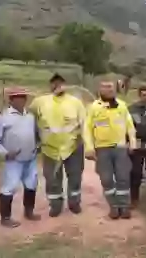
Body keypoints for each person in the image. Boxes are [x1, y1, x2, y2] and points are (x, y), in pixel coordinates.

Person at [29, 73, 86, 217]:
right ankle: (55, 205)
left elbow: (84, 124)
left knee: (75, 177)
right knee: (52, 179)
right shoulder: (39, 102)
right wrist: (35, 142)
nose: (57, 85)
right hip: (50, 149)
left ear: (65, 84)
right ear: (50, 85)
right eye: (54, 83)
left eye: (60, 83)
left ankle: (74, 203)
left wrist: (86, 144)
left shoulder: (75, 102)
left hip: (73, 147)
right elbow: (31, 122)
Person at [0, 87, 41, 228]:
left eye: (23, 97)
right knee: (9, 187)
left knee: (32, 184)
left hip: (31, 158)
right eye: (17, 97)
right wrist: (5, 152)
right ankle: (5, 218)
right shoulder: (2, 118)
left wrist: (38, 145)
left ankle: (29, 212)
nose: (21, 100)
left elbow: (35, 134)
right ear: (10, 100)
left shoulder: (30, 117)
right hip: (13, 160)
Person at [83, 81, 136, 220]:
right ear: (99, 90)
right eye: (105, 87)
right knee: (106, 179)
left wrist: (133, 143)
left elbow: (130, 126)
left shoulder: (122, 105)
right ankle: (113, 207)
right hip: (102, 149)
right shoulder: (93, 107)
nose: (109, 89)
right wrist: (89, 148)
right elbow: (87, 129)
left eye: (111, 87)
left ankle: (124, 207)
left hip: (120, 147)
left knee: (123, 178)